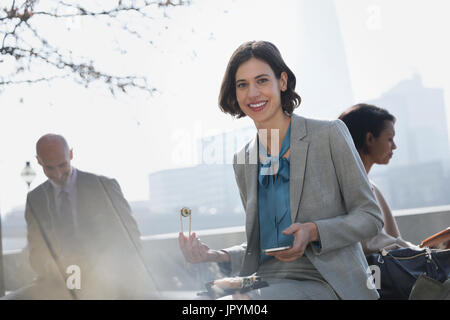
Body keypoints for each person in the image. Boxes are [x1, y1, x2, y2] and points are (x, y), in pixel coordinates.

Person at [178, 41, 384, 300]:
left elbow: (370, 216)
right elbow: (262, 246)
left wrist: (314, 231)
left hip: (330, 283)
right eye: (242, 84)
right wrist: (214, 255)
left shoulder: (329, 134)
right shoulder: (243, 160)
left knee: (241, 302)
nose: (252, 93)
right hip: (267, 281)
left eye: (262, 80)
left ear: (282, 81)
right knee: (201, 300)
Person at [7, 134, 156, 299]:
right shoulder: (35, 199)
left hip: (106, 281)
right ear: (39, 161)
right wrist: (51, 267)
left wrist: (101, 268)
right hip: (57, 285)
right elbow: (35, 252)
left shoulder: (103, 187)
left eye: (62, 165)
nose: (57, 174)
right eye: (49, 168)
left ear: (71, 154)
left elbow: (131, 238)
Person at [338, 104, 417, 254]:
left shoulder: (370, 186)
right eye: (389, 139)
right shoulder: (348, 187)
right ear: (369, 138)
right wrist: (425, 253)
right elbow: (372, 243)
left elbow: (392, 241)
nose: (394, 146)